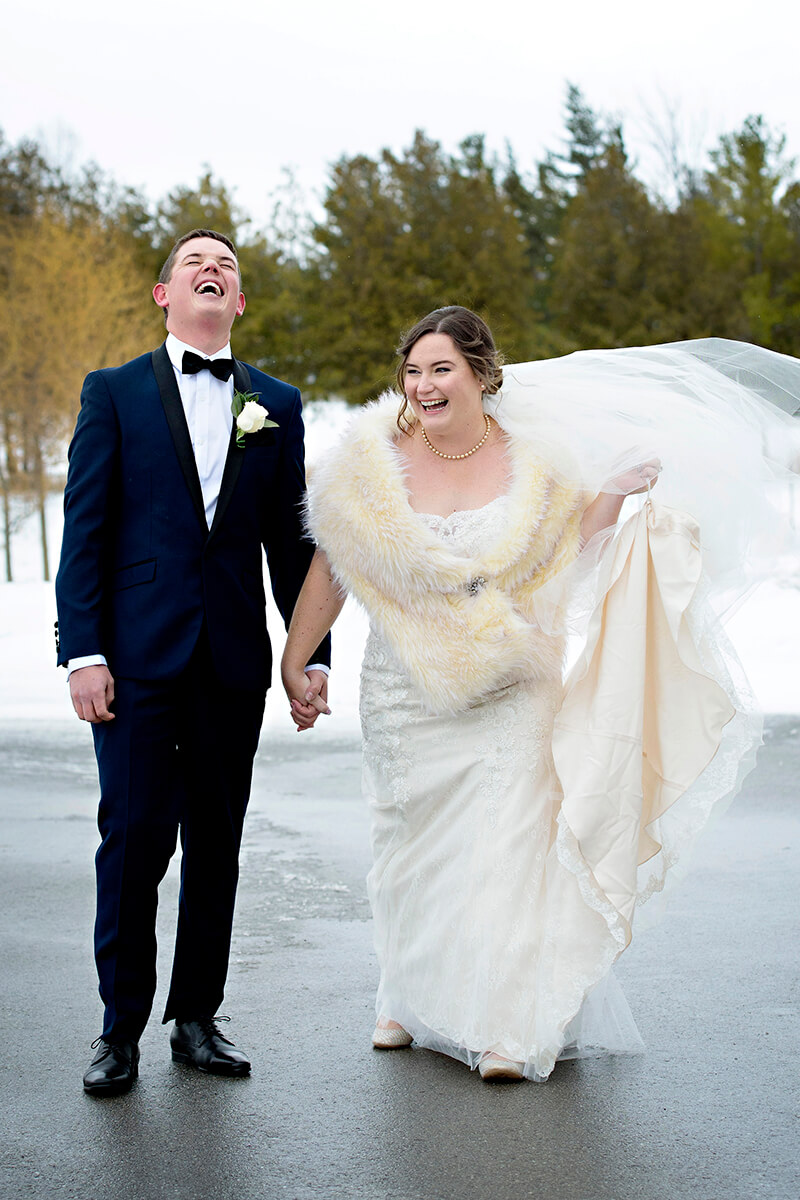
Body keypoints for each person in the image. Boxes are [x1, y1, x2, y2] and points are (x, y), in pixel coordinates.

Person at [280, 305, 799, 1082]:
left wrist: (614, 494)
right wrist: (296, 657)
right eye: (414, 371)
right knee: (408, 846)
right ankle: (406, 997)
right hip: (402, 685)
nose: (423, 386)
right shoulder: (368, 464)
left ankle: (511, 1027)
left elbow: (566, 561)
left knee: (508, 847)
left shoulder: (538, 464)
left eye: (441, 369)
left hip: (511, 680)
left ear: (482, 376)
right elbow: (331, 567)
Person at [55, 229, 329, 1096]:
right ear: (163, 294)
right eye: (194, 264)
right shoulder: (114, 393)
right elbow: (85, 533)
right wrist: (83, 652)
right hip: (132, 662)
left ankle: (198, 1018)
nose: (213, 272)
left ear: (239, 302)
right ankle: (118, 1029)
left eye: (228, 267)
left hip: (231, 661)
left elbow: (293, 544)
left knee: (218, 840)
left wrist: (309, 654)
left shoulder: (276, 404)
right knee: (134, 842)